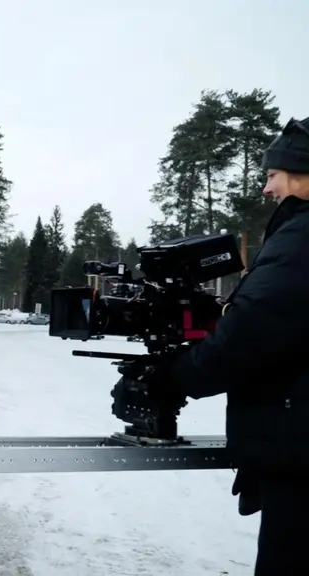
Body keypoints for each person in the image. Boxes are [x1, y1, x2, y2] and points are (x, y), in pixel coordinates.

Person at [159, 116, 309, 576]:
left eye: (271, 175)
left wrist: (172, 378)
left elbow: (250, 331)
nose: (266, 189)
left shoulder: (301, 239)